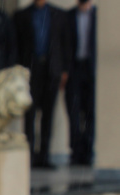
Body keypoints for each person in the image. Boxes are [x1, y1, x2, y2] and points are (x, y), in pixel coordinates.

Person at [14, 0, 72, 169]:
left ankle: (44, 155)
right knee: (30, 114)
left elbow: (66, 44)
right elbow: (17, 45)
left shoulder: (59, 15)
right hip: (30, 70)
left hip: (51, 70)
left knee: (48, 115)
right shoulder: (22, 16)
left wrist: (65, 70)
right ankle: (29, 155)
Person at [65, 0, 97, 166]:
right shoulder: (69, 16)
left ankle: (88, 151)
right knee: (74, 112)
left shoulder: (97, 16)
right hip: (74, 69)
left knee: (91, 112)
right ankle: (76, 152)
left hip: (92, 70)